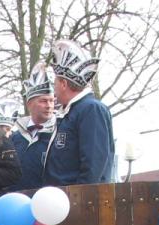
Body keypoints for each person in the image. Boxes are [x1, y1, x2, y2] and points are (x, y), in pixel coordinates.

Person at [43, 40, 116, 186]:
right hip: (62, 196)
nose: (54, 89)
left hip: (78, 197)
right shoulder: (71, 111)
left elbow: (93, 165)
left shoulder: (91, 109)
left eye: (55, 82)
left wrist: (81, 196)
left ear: (63, 84)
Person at [11, 65, 57, 190]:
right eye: (43, 101)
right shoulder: (15, 137)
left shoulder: (59, 133)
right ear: (29, 104)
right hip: (17, 198)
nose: (49, 106)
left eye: (51, 101)